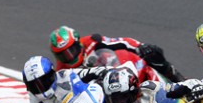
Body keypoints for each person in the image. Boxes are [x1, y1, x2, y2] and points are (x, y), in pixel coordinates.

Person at [49, 25, 185, 82]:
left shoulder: (92, 41)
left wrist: (139, 47)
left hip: (114, 69)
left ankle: (177, 79)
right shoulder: (61, 71)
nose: (69, 57)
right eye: (62, 54)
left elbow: (120, 42)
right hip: (99, 89)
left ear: (78, 43)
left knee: (154, 54)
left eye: (70, 50)